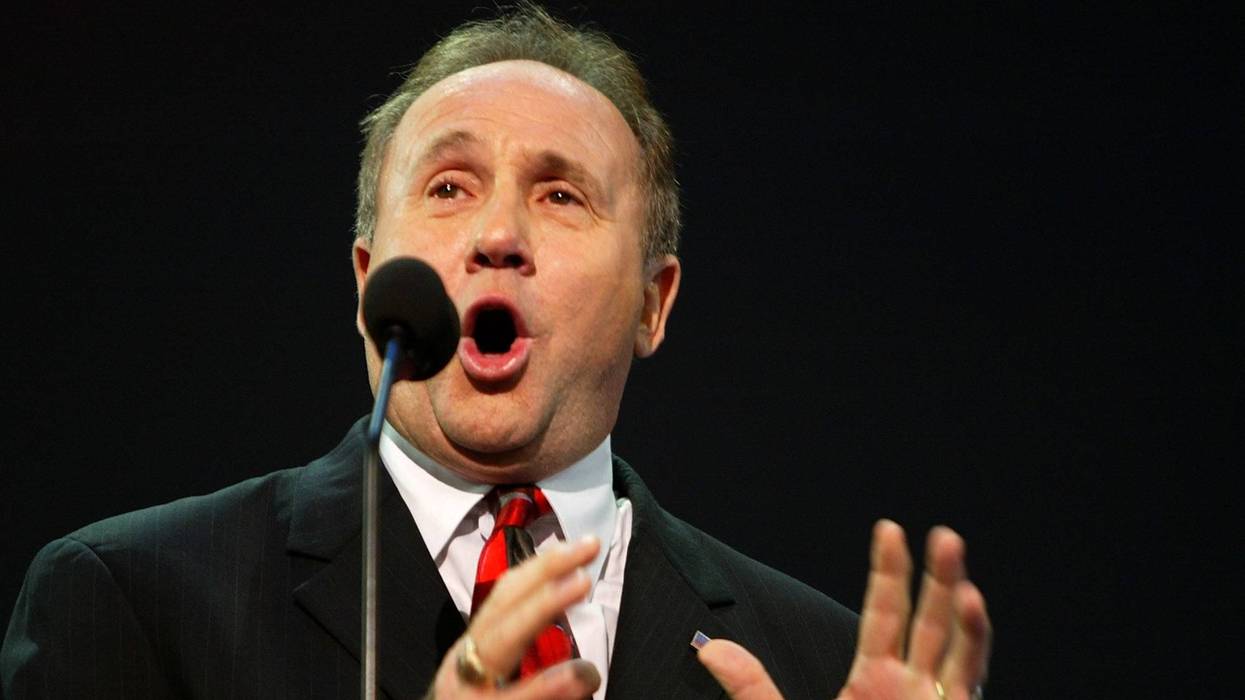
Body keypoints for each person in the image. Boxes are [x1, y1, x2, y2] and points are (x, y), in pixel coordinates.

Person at [2, 5, 990, 699]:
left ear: (655, 303)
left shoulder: (811, 661)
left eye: (562, 194)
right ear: (365, 280)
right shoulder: (136, 602)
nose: (497, 234)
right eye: (447, 187)